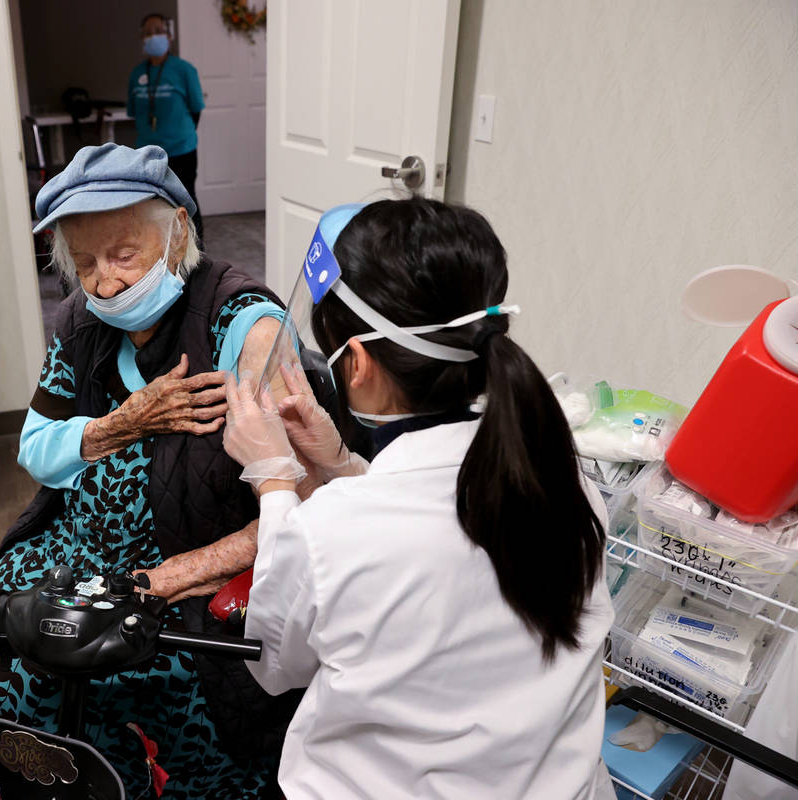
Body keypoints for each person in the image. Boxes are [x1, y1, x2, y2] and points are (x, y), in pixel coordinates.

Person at [0, 143, 298, 798]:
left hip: (188, 569)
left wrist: (155, 583)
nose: (105, 283)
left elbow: (299, 503)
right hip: (74, 550)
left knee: (83, 682)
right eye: (84, 262)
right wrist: (125, 422)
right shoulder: (80, 321)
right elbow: (35, 448)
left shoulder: (243, 325)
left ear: (177, 233)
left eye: (124, 254)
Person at [221, 198, 617, 799]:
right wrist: (343, 464)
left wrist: (274, 479)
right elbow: (422, 533)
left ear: (354, 363)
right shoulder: (565, 482)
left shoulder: (330, 531)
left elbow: (274, 664)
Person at [127, 12, 205, 243]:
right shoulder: (137, 74)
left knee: (186, 200)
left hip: (181, 149)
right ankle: (160, 248)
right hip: (147, 153)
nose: (153, 37)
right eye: (148, 33)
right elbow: (135, 112)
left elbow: (196, 109)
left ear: (169, 36)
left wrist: (179, 134)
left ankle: (196, 249)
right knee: (153, 203)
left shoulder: (184, 70)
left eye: (159, 31)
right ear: (142, 39)